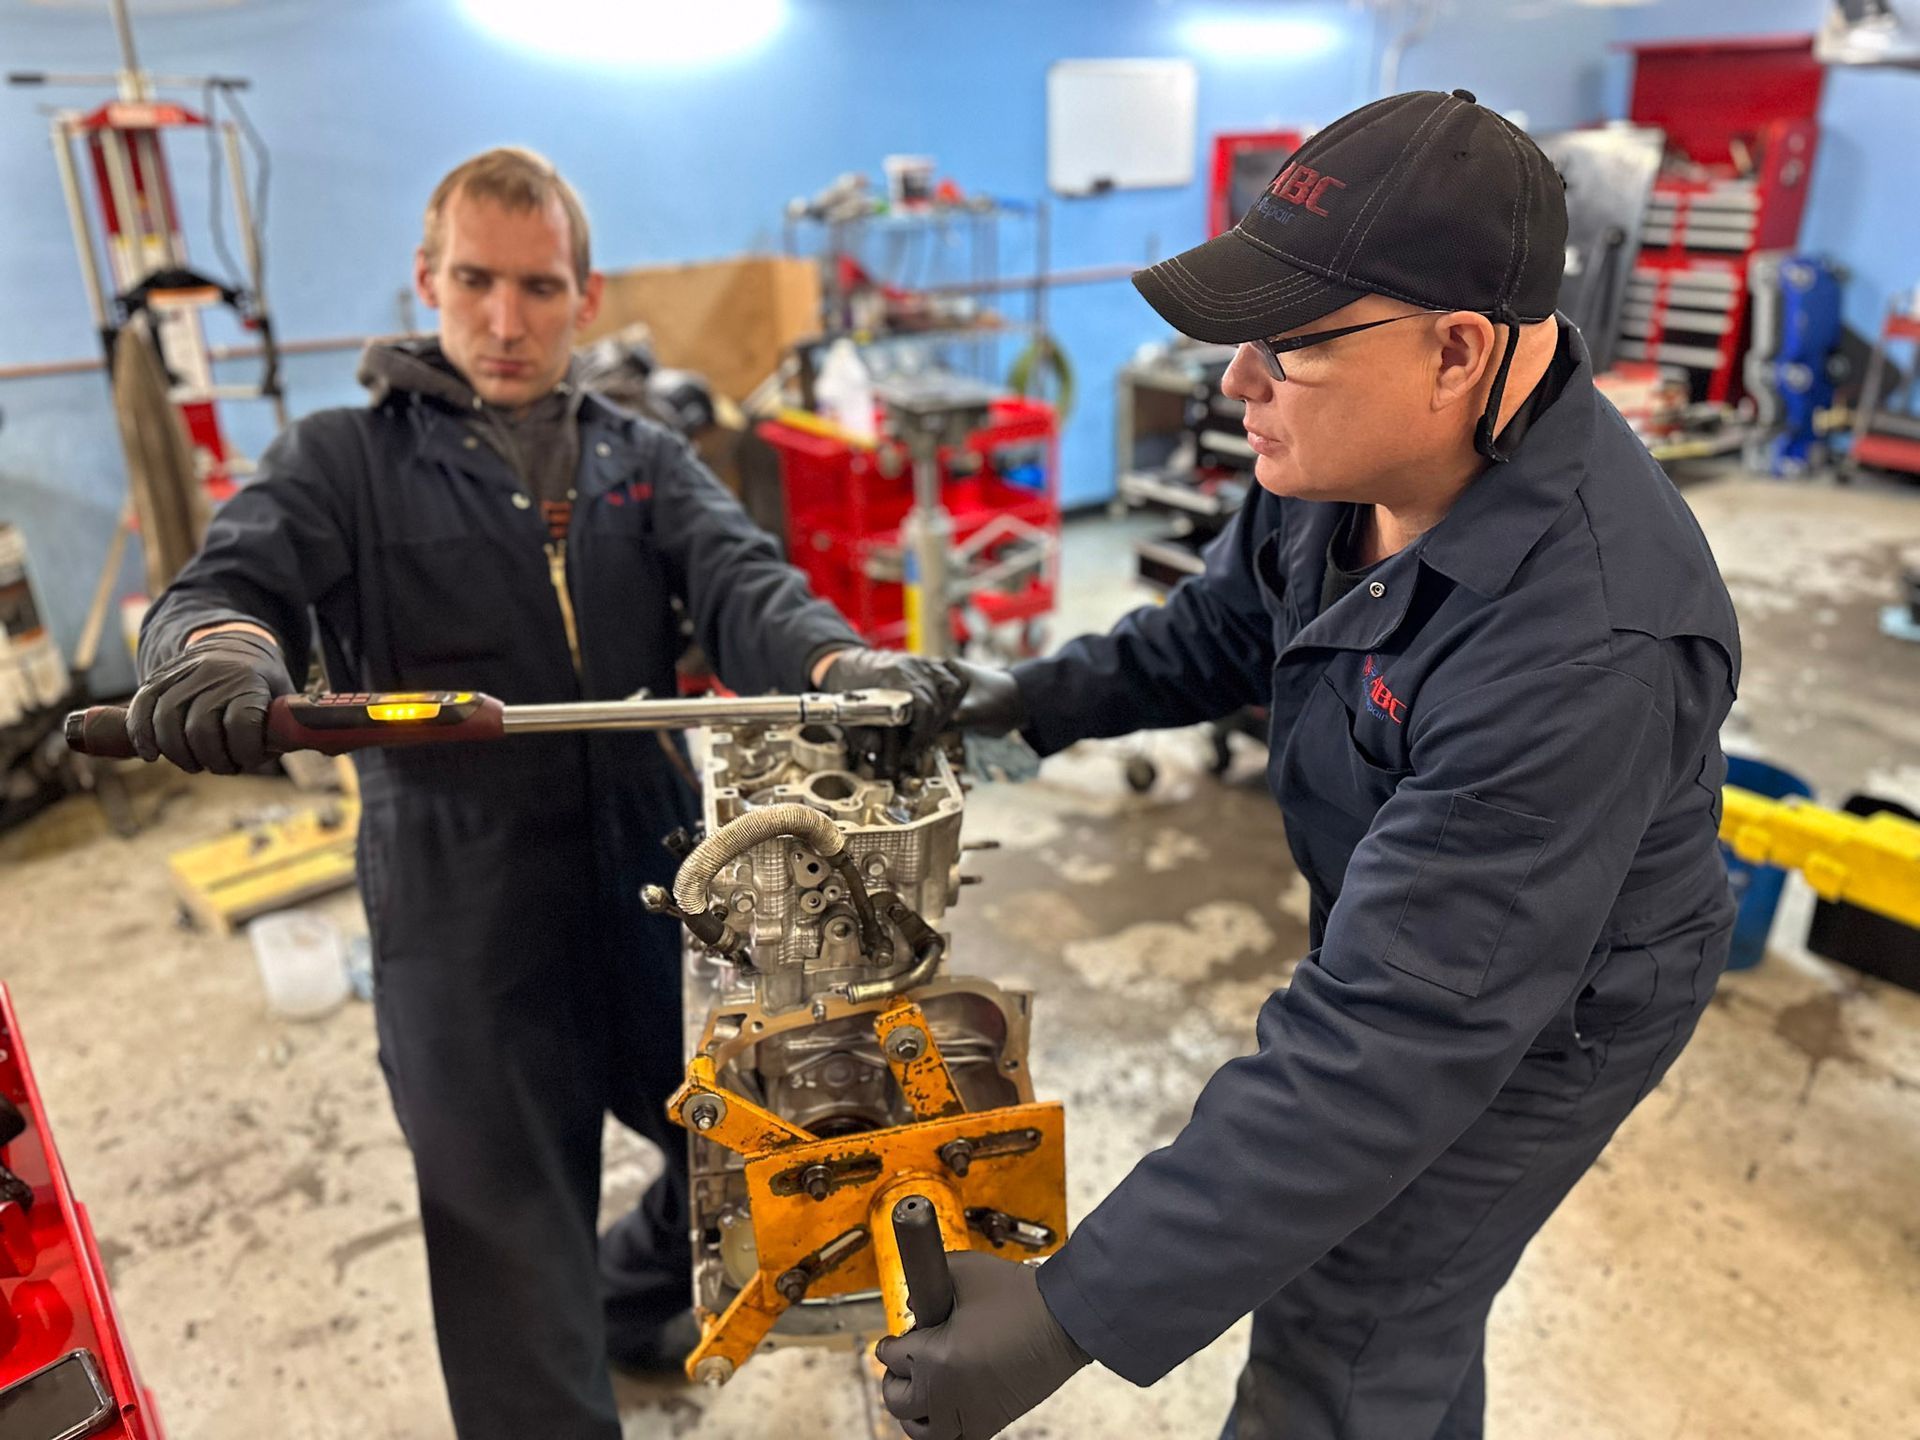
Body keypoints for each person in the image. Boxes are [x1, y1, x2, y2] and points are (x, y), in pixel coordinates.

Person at [884, 90, 1741, 1440]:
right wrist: (1025, 702)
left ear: (1457, 350)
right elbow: (1229, 624)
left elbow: (1392, 1039)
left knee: (1354, 1318)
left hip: (1547, 1008)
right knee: (1401, 1312)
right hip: (1412, 932)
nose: (1238, 383)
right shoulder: (1349, 462)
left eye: (1288, 344)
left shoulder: (1589, 638)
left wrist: (1070, 1316)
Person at [130, 147, 960, 1440]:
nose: (505, 320)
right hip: (460, 901)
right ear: (426, 280)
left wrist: (839, 665)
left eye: (538, 286)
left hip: (656, 872)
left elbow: (745, 583)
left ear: (587, 294)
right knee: (513, 1265)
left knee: (759, 1138)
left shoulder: (642, 455)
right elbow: (226, 585)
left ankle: (629, 1301)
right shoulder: (342, 460)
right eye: (475, 282)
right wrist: (219, 653)